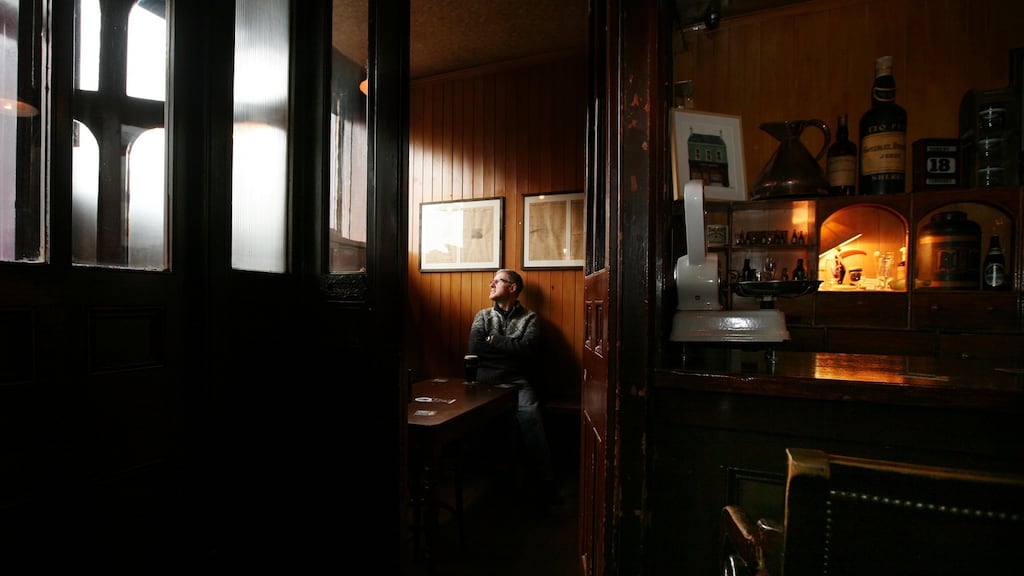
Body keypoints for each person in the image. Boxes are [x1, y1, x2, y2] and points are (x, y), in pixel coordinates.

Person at [468, 269, 555, 509]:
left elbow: (528, 353)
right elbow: (475, 348)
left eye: (497, 281)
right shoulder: (483, 316)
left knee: (532, 418)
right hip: (484, 381)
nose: (491, 284)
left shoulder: (530, 319)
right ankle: (482, 483)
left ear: (513, 287)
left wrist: (494, 341)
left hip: (517, 381)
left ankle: (545, 482)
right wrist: (510, 349)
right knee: (476, 422)